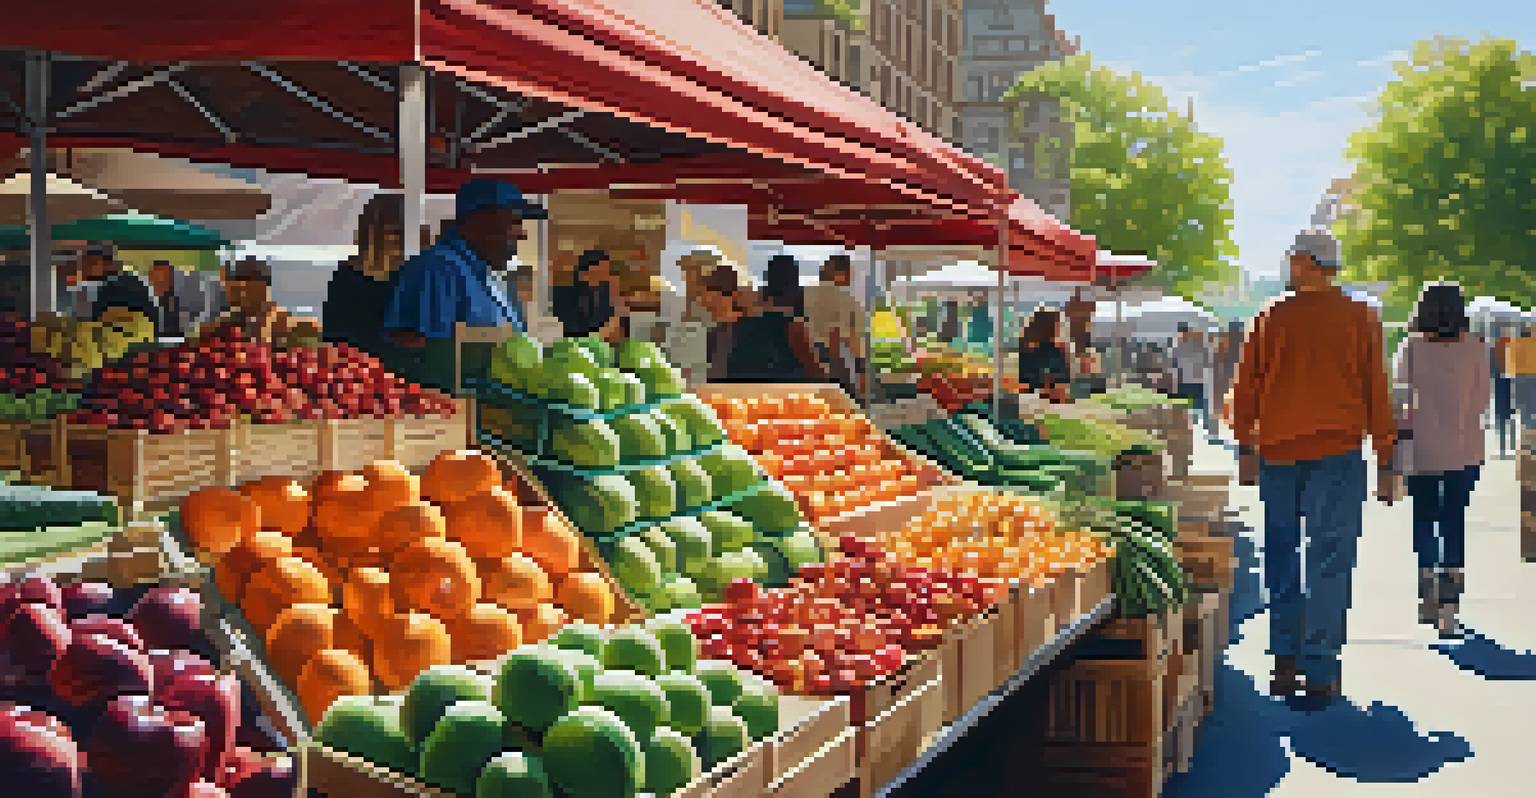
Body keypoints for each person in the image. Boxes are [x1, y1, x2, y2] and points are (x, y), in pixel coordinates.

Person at [1227, 230, 1395, 701]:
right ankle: (1321, 670)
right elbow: (1374, 386)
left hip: (1279, 453)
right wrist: (1385, 453)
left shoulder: (1269, 317)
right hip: (1339, 453)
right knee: (1331, 558)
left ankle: (1284, 661)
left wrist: (1245, 444)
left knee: (1282, 554)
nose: (1289, 266)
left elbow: (1248, 386)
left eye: (1294, 259)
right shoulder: (1362, 317)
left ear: (1309, 263)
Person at [383, 179, 547, 390]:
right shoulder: (438, 268)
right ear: (479, 222)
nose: (522, 234)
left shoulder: (490, 274)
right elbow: (417, 352)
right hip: (458, 412)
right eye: (514, 222)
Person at [1390, 282, 1488, 638]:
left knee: (1424, 517)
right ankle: (1450, 602)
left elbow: (1400, 398)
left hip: (1422, 447)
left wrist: (1399, 437)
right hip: (1465, 446)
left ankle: (1427, 591)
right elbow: (1482, 399)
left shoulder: (1411, 347)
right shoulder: (1477, 347)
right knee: (1455, 519)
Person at [715, 255, 826, 382]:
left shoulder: (743, 320)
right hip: (781, 395)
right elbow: (816, 372)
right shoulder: (793, 325)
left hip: (743, 392)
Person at [200, 258, 319, 347]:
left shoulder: (286, 322)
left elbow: (313, 328)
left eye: (246, 281)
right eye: (237, 281)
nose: (240, 287)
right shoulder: (228, 320)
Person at [804, 254, 866, 400]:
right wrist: (861, 368)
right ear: (840, 274)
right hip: (835, 361)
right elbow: (852, 340)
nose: (851, 279)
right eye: (849, 274)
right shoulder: (847, 301)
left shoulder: (804, 294)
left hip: (804, 361)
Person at [75, 243, 162, 336]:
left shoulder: (119, 285)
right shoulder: (114, 282)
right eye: (84, 264)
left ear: (108, 263)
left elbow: (104, 320)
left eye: (91, 263)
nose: (85, 269)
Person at [551, 249, 624, 341]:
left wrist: (615, 302)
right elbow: (571, 329)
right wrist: (601, 333)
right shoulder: (565, 293)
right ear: (585, 272)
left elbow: (614, 330)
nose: (607, 277)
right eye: (602, 272)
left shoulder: (604, 291)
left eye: (607, 272)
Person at [147, 259, 225, 339]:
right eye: (152, 280)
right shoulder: (161, 295)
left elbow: (210, 311)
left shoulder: (190, 285)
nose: (154, 284)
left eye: (158, 279)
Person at [1016, 309, 1071, 403]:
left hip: (1048, 398)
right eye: (1056, 325)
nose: (1058, 329)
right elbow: (1023, 383)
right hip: (1032, 399)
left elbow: (1064, 380)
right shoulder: (1027, 350)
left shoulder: (1058, 350)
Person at [1171, 323, 1212, 433]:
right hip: (1192, 381)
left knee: (1196, 407)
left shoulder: (1180, 347)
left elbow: (1174, 367)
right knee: (1194, 407)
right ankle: (1198, 428)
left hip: (1193, 381)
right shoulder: (1195, 346)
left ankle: (1199, 428)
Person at [1506, 323, 1536, 443]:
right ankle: (1531, 433)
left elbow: (1510, 365)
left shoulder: (1514, 344)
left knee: (1523, 408)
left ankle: (1525, 434)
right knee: (1532, 407)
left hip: (1519, 379)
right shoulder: (1534, 343)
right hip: (1533, 378)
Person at [1490, 322, 1515, 457]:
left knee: (1508, 414)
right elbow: (1491, 366)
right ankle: (1502, 446)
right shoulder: (1496, 347)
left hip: (1509, 382)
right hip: (1502, 382)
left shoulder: (1512, 345)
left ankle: (1508, 444)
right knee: (1502, 415)